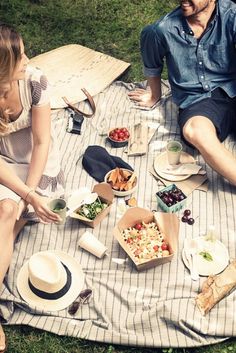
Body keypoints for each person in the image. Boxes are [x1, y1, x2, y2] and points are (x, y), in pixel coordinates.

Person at [0, 23, 65, 352]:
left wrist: (32, 192)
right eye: (20, 56)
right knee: (7, 213)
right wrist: (24, 197)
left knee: (9, 222)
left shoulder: (36, 81)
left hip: (39, 167)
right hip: (3, 169)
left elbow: (42, 142)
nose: (28, 59)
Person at [128, 0, 236, 185]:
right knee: (195, 131)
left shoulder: (232, 15)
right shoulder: (160, 30)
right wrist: (154, 95)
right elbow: (153, 65)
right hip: (199, 101)